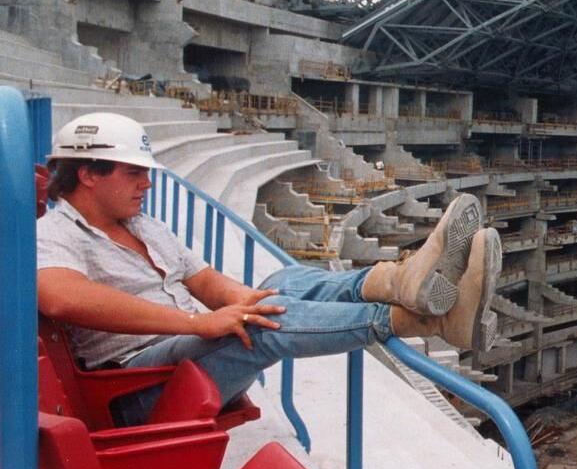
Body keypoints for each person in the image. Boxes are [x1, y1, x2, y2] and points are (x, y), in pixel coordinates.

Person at [36, 112, 501, 425]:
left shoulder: (142, 225)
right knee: (264, 321)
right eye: (133, 172)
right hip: (138, 387)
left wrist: (242, 303)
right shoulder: (55, 233)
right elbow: (60, 295)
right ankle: (428, 318)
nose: (148, 182)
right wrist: (200, 322)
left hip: (181, 359)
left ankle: (401, 281)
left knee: (279, 285)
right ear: (88, 173)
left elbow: (208, 283)